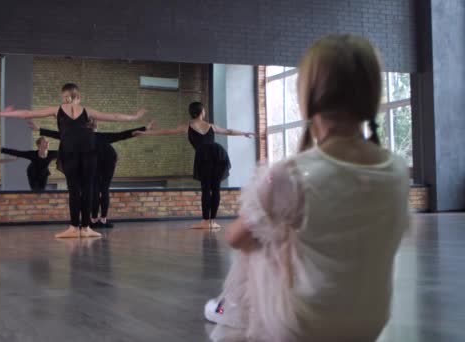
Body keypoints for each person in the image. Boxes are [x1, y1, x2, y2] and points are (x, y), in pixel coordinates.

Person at [203, 35, 410, 342]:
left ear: (309, 96)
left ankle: (229, 309)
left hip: (305, 326)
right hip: (371, 322)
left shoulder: (292, 174)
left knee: (259, 239)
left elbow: (236, 238)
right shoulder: (396, 169)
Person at [0, 83, 145, 239]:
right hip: (88, 154)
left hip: (70, 154)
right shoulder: (86, 111)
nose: (65, 101)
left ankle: (75, 227)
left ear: (73, 96)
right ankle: (85, 227)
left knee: (75, 190)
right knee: (87, 189)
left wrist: (2, 114)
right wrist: (134, 116)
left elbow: (27, 113)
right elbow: (115, 117)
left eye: (65, 97)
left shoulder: (57, 110)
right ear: (79, 97)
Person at [135, 102, 254, 230]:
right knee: (215, 189)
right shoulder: (210, 126)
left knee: (206, 189)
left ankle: (205, 221)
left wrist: (146, 133)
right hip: (218, 155)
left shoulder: (187, 126)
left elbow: (167, 131)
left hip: (204, 157)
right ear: (202, 111)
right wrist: (244, 133)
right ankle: (212, 221)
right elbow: (228, 131)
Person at [29, 119, 154, 228]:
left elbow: (60, 135)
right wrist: (144, 128)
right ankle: (100, 219)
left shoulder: (84, 137)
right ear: (93, 127)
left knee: (97, 191)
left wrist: (40, 129)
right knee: (100, 191)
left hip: (100, 166)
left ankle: (96, 219)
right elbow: (122, 135)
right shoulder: (97, 136)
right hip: (100, 166)